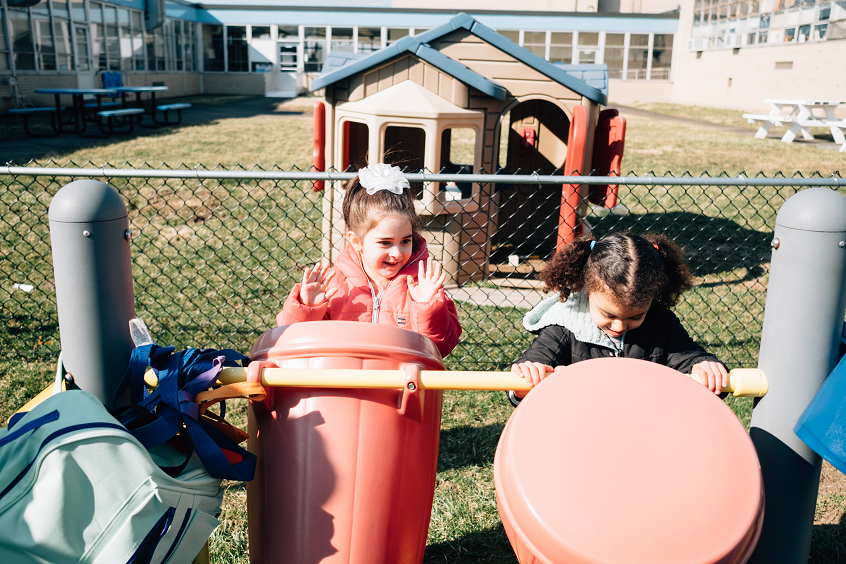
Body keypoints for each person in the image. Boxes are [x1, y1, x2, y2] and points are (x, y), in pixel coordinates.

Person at [508, 232, 727, 406]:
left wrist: (704, 366)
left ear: (652, 300)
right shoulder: (565, 326)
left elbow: (687, 356)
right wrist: (527, 377)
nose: (619, 326)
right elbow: (536, 362)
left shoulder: (661, 324)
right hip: (578, 427)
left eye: (635, 316)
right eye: (608, 314)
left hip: (640, 428)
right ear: (587, 291)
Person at [277, 163, 461, 358]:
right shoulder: (335, 286)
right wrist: (308, 308)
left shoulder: (421, 287)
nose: (397, 253)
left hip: (400, 385)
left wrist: (427, 308)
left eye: (405, 241)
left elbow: (441, 347)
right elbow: (292, 342)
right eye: (385, 242)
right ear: (357, 241)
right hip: (342, 383)